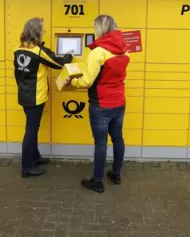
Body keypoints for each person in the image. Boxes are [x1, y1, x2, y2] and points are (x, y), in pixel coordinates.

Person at [66, 15, 129, 193]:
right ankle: (116, 174)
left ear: (100, 29)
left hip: (101, 105)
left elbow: (86, 81)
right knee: (118, 138)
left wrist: (72, 83)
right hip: (119, 102)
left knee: (101, 143)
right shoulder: (124, 49)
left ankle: (98, 181)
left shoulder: (98, 52)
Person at [14, 17, 73, 178]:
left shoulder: (18, 48)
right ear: (36, 32)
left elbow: (17, 74)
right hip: (35, 97)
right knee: (31, 130)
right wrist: (69, 55)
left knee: (33, 128)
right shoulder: (38, 51)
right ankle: (27, 167)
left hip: (24, 94)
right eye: (42, 30)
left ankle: (35, 157)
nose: (43, 33)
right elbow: (58, 63)